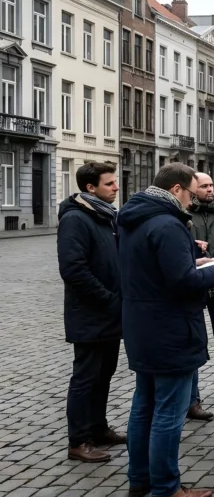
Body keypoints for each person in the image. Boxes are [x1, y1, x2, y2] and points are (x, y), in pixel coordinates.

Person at [117, 163, 214, 497]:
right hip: (170, 328)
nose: (192, 201)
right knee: (169, 410)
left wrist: (193, 261)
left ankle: (140, 478)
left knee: (144, 404)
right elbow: (182, 282)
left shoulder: (133, 218)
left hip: (141, 325)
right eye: (191, 193)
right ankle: (166, 487)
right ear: (178, 189)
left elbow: (155, 270)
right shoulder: (168, 223)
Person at [58, 161, 125, 463]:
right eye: (109, 183)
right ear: (90, 188)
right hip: (89, 313)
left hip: (110, 313)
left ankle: (98, 428)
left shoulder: (106, 215)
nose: (116, 187)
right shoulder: (76, 218)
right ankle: (79, 440)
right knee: (85, 378)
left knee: (104, 374)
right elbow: (74, 270)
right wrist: (109, 299)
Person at [188, 172, 214, 416]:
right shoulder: (183, 215)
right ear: (193, 189)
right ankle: (193, 399)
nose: (210, 189)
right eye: (204, 186)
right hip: (193, 282)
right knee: (193, 341)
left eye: (211, 185)